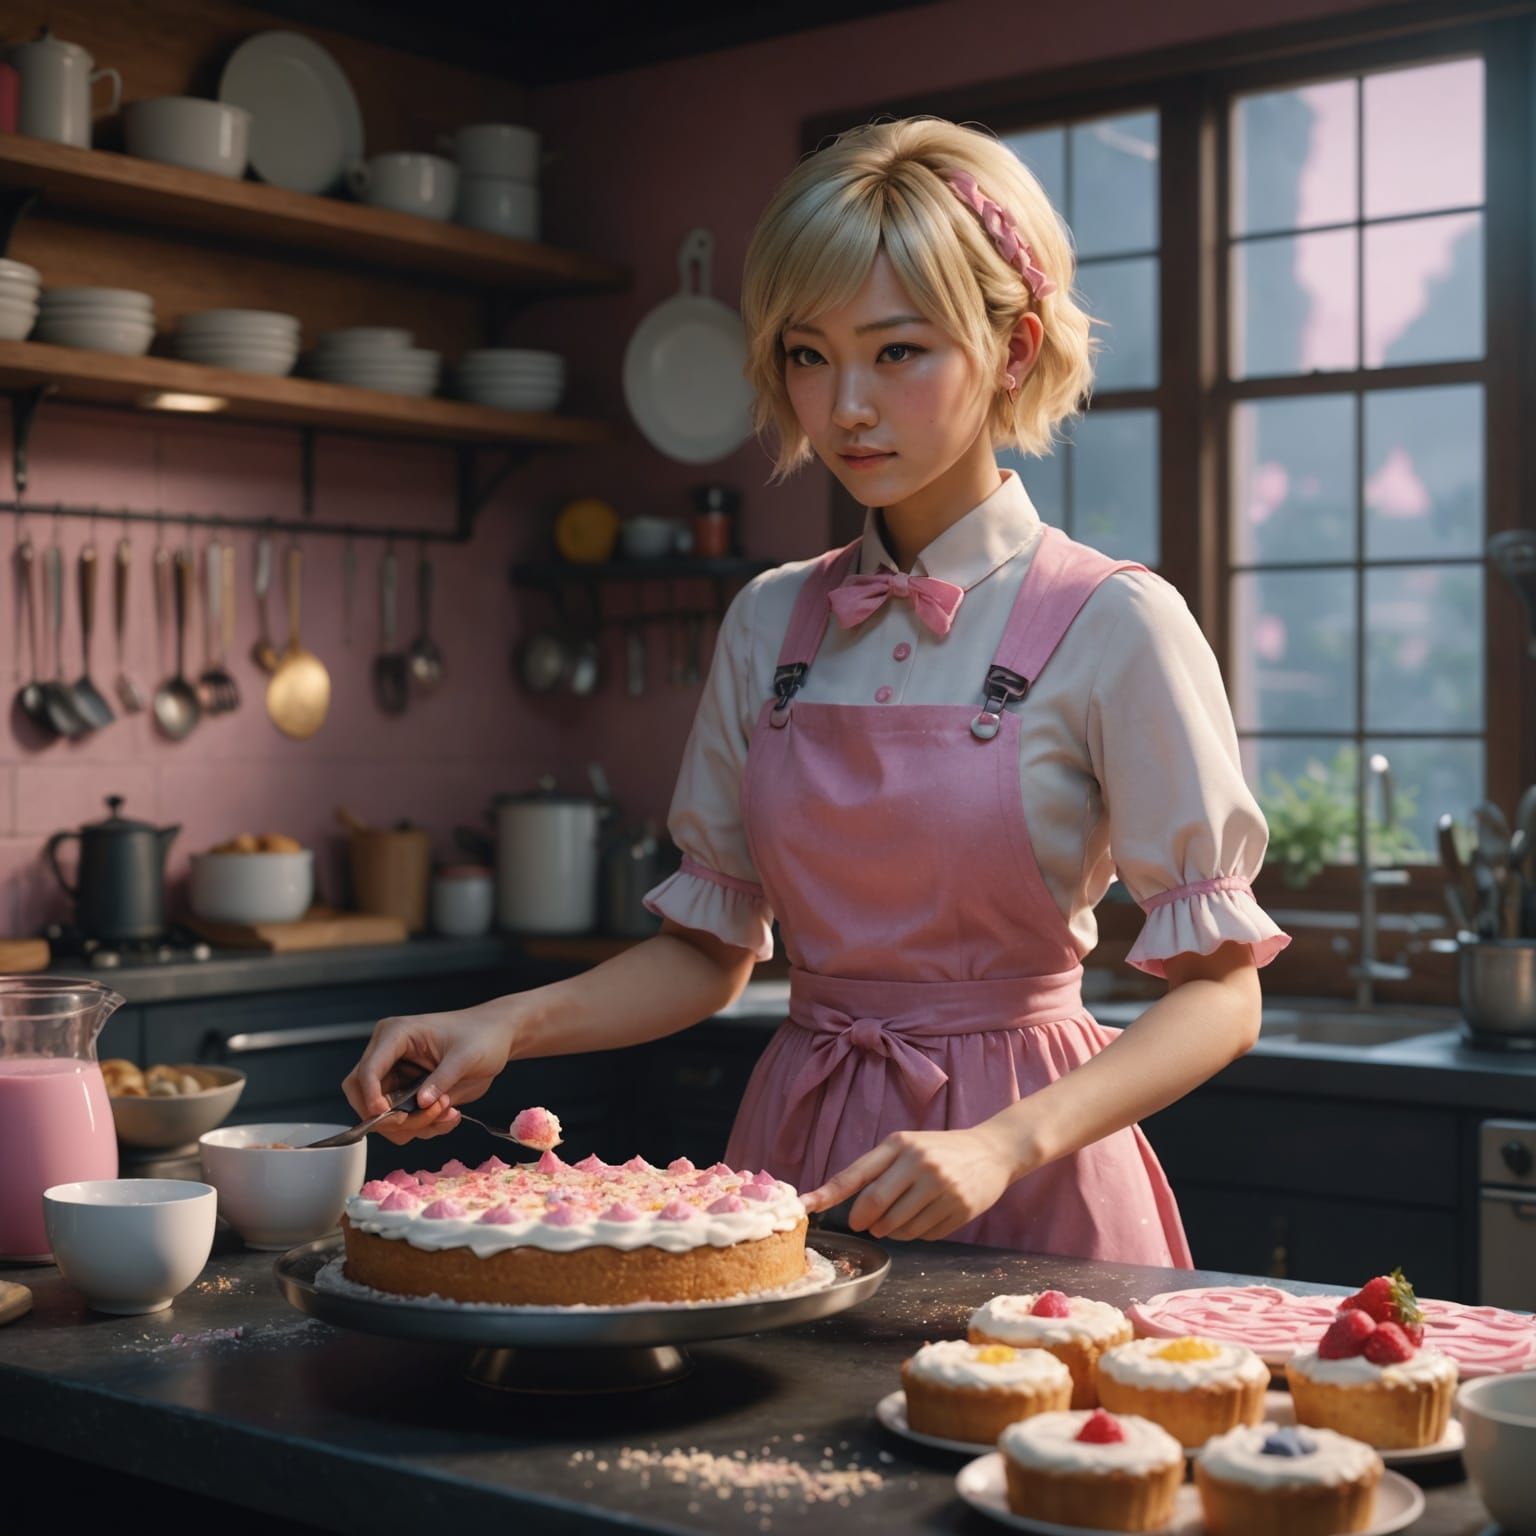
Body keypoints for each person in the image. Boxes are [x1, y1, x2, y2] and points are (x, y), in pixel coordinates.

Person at [342, 116, 1290, 1266]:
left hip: (1034, 1169)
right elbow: (709, 953)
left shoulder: (1114, 620)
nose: (844, 405)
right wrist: (501, 1025)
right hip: (798, 1149)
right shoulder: (768, 620)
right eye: (807, 353)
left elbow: (1222, 995)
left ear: (1015, 348)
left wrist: (1002, 1143)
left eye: (897, 351)